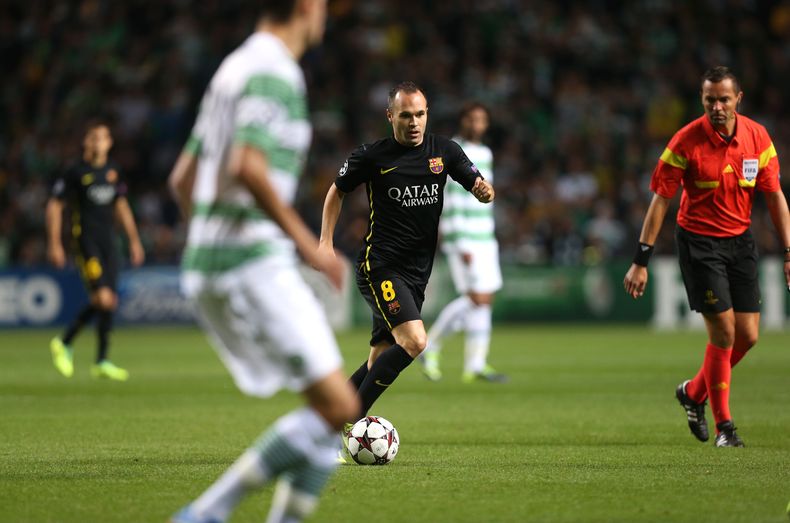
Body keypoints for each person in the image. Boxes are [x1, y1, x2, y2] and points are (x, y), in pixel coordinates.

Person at [167, 1, 359, 522]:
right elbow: (249, 166)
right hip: (251, 263)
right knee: (340, 407)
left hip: (213, 263)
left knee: (326, 414)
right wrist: (308, 245)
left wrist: (208, 237)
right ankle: (206, 514)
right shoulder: (275, 71)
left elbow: (182, 179)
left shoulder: (232, 69)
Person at [623, 66, 790, 448]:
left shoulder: (757, 137)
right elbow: (660, 201)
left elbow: (775, 197)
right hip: (699, 244)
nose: (716, 106)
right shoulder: (685, 141)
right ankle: (725, 428)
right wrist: (641, 259)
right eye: (710, 100)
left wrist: (788, 251)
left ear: (738, 99)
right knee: (725, 332)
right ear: (702, 100)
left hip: (740, 241)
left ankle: (693, 392)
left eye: (723, 99)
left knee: (747, 336)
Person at [318, 82, 495, 426]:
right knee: (415, 340)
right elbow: (336, 192)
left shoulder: (444, 151)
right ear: (390, 116)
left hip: (416, 273)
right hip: (380, 266)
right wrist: (325, 242)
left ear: (427, 114)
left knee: (380, 357)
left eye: (420, 115)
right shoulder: (372, 156)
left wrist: (483, 190)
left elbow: (475, 180)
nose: (414, 122)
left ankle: (323, 422)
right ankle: (351, 421)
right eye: (405, 116)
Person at [46, 120, 145, 381]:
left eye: (102, 137)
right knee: (102, 298)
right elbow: (55, 207)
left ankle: (101, 360)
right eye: (93, 137)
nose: (97, 142)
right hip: (86, 241)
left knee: (109, 301)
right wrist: (54, 243)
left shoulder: (114, 172)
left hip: (110, 243)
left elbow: (122, 207)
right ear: (86, 142)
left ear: (110, 143)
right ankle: (64, 342)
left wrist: (134, 240)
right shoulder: (75, 172)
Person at [420, 101, 507, 383]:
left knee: (485, 301)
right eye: (471, 119)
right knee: (475, 298)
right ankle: (429, 346)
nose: (476, 124)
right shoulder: (452, 150)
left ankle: (476, 365)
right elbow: (452, 198)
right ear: (463, 121)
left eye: (482, 119)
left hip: (485, 236)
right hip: (465, 237)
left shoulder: (486, 153)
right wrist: (458, 240)